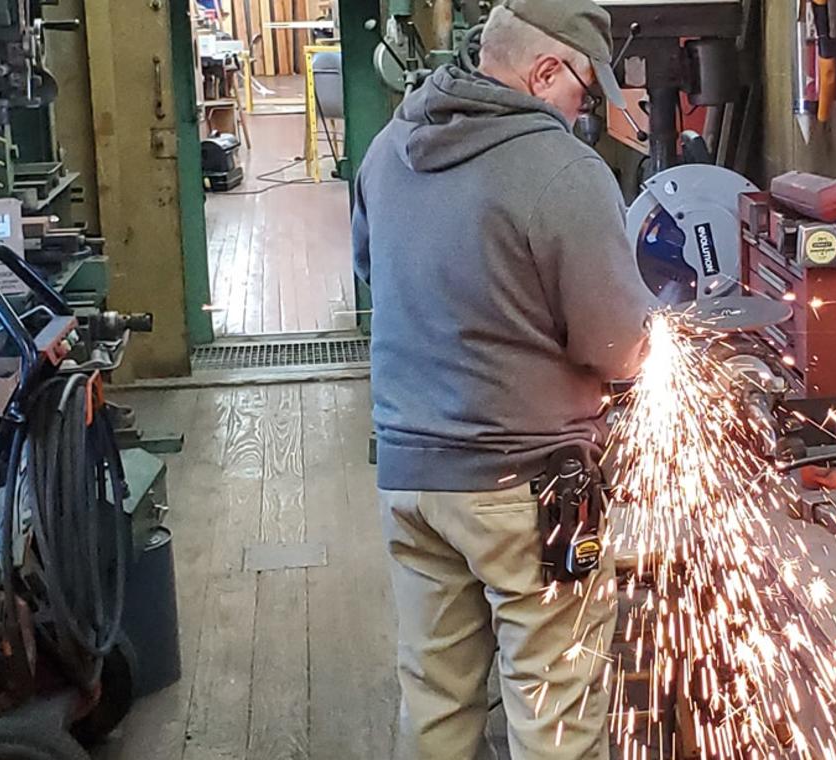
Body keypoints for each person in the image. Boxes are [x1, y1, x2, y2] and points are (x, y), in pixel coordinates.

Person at [350, 0, 656, 756]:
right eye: (582, 91)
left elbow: (371, 275)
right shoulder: (562, 170)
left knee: (436, 702)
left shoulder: (388, 149)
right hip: (524, 490)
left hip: (411, 478)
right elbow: (619, 346)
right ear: (544, 69)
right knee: (553, 706)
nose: (582, 112)